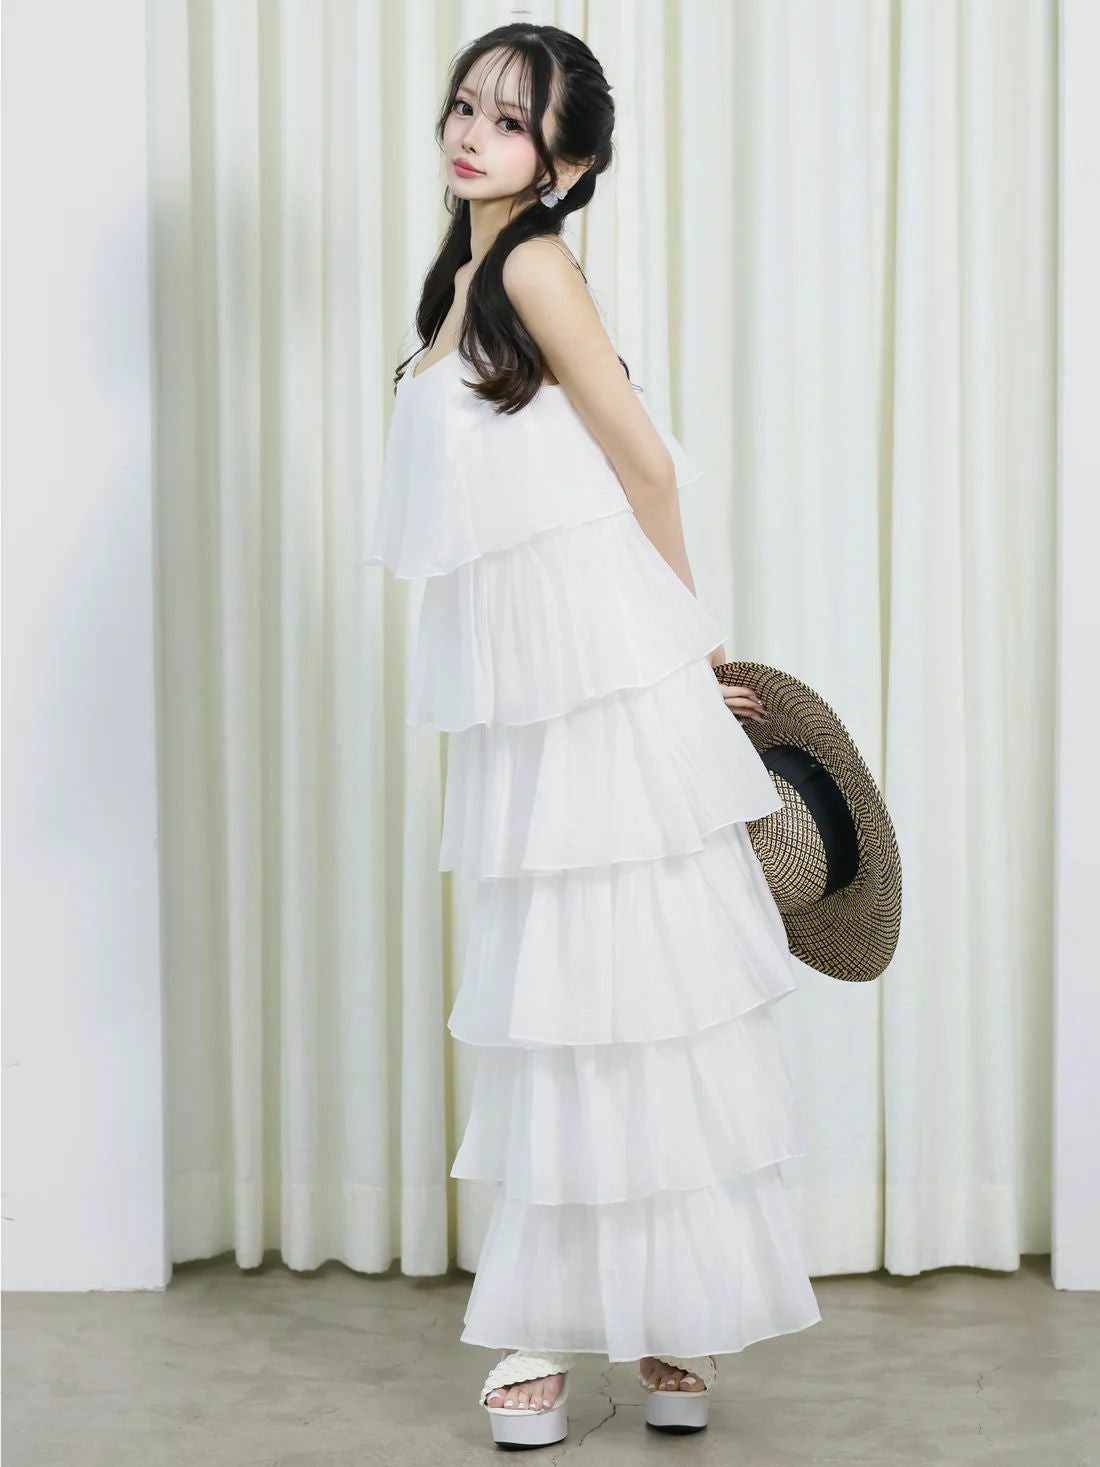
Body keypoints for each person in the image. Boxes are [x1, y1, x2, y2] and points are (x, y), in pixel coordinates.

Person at [366, 20, 821, 1446]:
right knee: (574, 993)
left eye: (509, 120)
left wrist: (689, 650)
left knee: (624, 986)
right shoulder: (469, 274)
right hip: (536, 684)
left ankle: (616, 1323)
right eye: (467, 105)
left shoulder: (534, 267)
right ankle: (609, 1317)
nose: (473, 133)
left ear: (564, 160)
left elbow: (646, 468)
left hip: (603, 671)